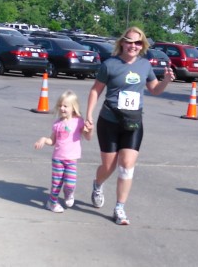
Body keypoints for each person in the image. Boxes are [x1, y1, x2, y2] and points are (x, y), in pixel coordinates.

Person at [85, 26, 175, 225]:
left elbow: (155, 89)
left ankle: (119, 208)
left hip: (133, 122)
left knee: (126, 165)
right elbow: (95, 91)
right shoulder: (110, 64)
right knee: (109, 166)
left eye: (137, 42)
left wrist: (166, 81)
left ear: (142, 45)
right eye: (129, 41)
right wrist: (89, 115)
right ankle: (98, 184)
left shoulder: (145, 65)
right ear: (122, 43)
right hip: (109, 121)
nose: (133, 46)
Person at [34, 90, 93, 213]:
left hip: (71, 159)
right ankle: (52, 203)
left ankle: (68, 193)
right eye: (60, 105)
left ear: (73, 108)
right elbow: (52, 141)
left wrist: (89, 130)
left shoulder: (79, 121)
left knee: (70, 184)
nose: (62, 108)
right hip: (58, 159)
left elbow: (87, 137)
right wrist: (44, 139)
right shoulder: (57, 124)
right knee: (56, 183)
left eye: (65, 106)